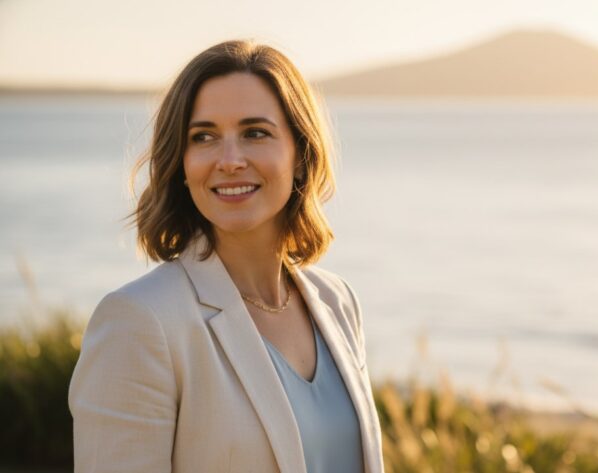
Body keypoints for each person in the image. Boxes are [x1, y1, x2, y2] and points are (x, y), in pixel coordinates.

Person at [68, 40, 384, 473]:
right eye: (204, 137)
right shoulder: (139, 322)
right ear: (182, 162)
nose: (230, 160)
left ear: (299, 153)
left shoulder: (337, 302)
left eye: (255, 132)